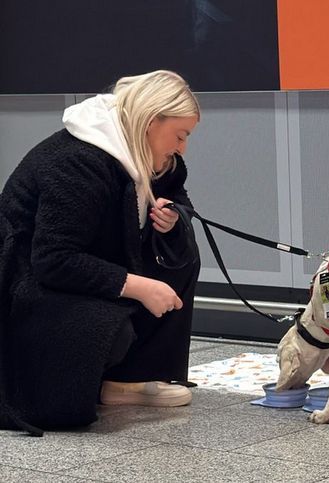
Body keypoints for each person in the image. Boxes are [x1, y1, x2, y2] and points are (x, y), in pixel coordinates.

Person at [0, 70, 201, 435]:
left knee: (179, 257)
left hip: (73, 267)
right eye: (180, 135)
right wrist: (138, 286)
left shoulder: (151, 157)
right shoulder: (78, 162)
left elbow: (177, 194)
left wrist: (172, 218)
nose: (182, 148)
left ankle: (131, 379)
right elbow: (53, 259)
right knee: (107, 326)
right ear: (151, 122)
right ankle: (85, 383)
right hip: (23, 286)